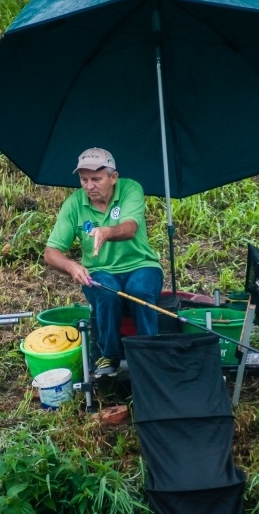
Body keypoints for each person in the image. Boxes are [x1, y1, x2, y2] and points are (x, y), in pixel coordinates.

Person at [44, 148, 163, 377]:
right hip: (100, 271)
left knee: (138, 289)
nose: (89, 186)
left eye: (96, 179)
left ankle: (150, 351)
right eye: (84, 179)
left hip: (142, 265)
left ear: (113, 177)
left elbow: (130, 228)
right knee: (107, 292)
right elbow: (51, 251)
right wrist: (72, 266)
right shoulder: (74, 204)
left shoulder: (130, 189)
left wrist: (106, 231)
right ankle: (109, 354)